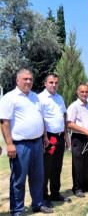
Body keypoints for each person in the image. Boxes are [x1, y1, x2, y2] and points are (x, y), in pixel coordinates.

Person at [0, 69, 53, 214]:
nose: (28, 82)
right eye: (25, 79)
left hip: (37, 143)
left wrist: (44, 137)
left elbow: (40, 117)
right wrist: (9, 144)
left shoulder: (35, 97)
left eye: (30, 79)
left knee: (38, 177)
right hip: (20, 145)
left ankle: (37, 204)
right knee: (19, 180)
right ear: (17, 81)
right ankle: (17, 210)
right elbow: (4, 122)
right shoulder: (9, 98)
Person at [39, 74, 71, 208]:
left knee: (57, 167)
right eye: (51, 82)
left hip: (59, 137)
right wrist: (45, 137)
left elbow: (63, 117)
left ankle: (55, 193)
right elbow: (41, 119)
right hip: (49, 138)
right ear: (45, 83)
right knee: (46, 168)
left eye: (56, 82)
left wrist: (66, 136)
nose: (54, 85)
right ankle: (44, 197)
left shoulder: (59, 98)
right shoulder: (40, 98)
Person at [67, 84, 88, 198]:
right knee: (78, 164)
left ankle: (87, 185)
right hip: (79, 138)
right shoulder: (74, 106)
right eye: (82, 92)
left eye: (86, 92)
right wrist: (85, 131)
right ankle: (77, 188)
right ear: (77, 93)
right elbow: (70, 123)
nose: (85, 94)